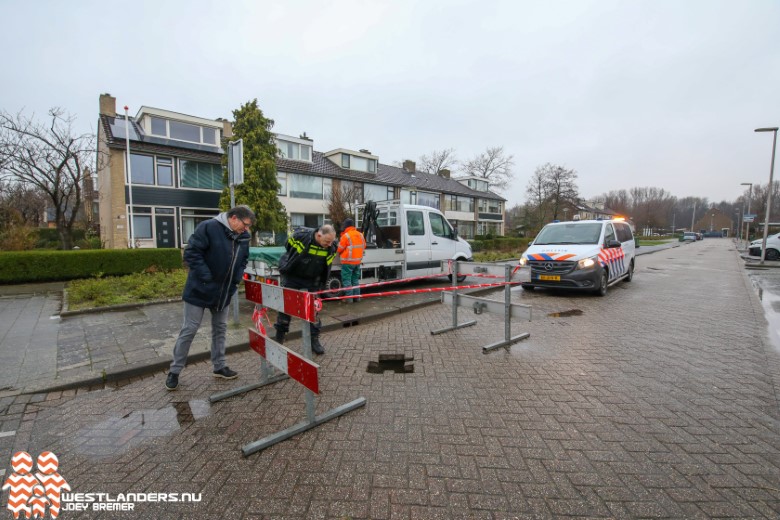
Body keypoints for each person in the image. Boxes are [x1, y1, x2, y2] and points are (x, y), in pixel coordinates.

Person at [165, 205, 255, 391]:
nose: (246, 229)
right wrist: (207, 278)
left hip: (224, 292)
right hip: (200, 289)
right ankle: (174, 371)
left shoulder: (244, 237)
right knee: (189, 329)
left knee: (220, 329)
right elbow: (192, 253)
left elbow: (243, 260)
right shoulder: (208, 227)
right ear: (234, 218)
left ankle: (219, 366)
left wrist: (236, 280)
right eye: (245, 224)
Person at [273, 224, 337, 355]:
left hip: (312, 280)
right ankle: (279, 338)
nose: (329, 245)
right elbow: (288, 246)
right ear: (319, 235)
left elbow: (326, 265)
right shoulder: (300, 237)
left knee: (313, 311)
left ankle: (314, 340)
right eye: (327, 241)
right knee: (285, 308)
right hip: (293, 276)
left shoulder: (331, 246)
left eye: (331, 241)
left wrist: (320, 283)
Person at [337, 218, 365, 303]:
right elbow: (364, 246)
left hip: (347, 262)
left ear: (346, 226)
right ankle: (357, 298)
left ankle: (349, 299)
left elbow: (339, 249)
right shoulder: (360, 235)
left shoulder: (346, 236)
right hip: (357, 262)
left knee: (347, 281)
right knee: (355, 280)